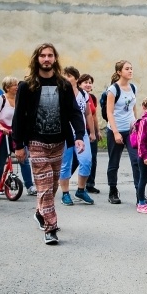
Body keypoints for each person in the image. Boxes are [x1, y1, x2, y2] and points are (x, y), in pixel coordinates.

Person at [12, 43, 85, 245]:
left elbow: (73, 112)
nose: (46, 59)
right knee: (43, 185)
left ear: (55, 58)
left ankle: (40, 212)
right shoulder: (27, 85)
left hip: (58, 142)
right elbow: (18, 116)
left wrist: (79, 135)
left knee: (52, 185)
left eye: (50, 55)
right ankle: (50, 227)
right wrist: (18, 145)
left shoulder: (63, 84)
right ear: (37, 59)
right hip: (36, 142)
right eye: (42, 55)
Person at [0, 76, 36, 195]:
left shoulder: (20, 98)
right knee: (1, 161)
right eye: (14, 85)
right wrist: (0, 127)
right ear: (7, 87)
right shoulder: (0, 100)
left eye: (17, 84)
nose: (17, 87)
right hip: (3, 133)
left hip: (17, 132)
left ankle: (30, 186)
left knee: (24, 159)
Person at [59, 66, 95, 206]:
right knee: (65, 164)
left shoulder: (83, 94)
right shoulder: (60, 93)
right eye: (64, 76)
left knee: (86, 161)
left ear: (76, 78)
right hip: (65, 133)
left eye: (69, 76)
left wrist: (92, 132)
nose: (66, 79)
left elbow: (88, 114)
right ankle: (65, 193)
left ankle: (81, 190)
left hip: (81, 133)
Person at [105, 60, 139, 205]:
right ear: (119, 72)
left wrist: (137, 124)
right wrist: (116, 132)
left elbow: (133, 107)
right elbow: (110, 112)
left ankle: (140, 193)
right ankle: (113, 191)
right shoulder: (113, 89)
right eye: (127, 69)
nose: (130, 71)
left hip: (131, 131)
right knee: (114, 162)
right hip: (116, 130)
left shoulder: (133, 87)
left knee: (136, 161)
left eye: (131, 68)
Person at [76, 73, 101, 194]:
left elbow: (94, 115)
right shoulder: (77, 95)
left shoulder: (92, 98)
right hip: (79, 131)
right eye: (85, 82)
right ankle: (64, 180)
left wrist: (97, 131)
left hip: (90, 131)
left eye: (90, 82)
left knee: (93, 158)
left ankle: (90, 183)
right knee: (76, 159)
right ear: (79, 84)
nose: (88, 84)